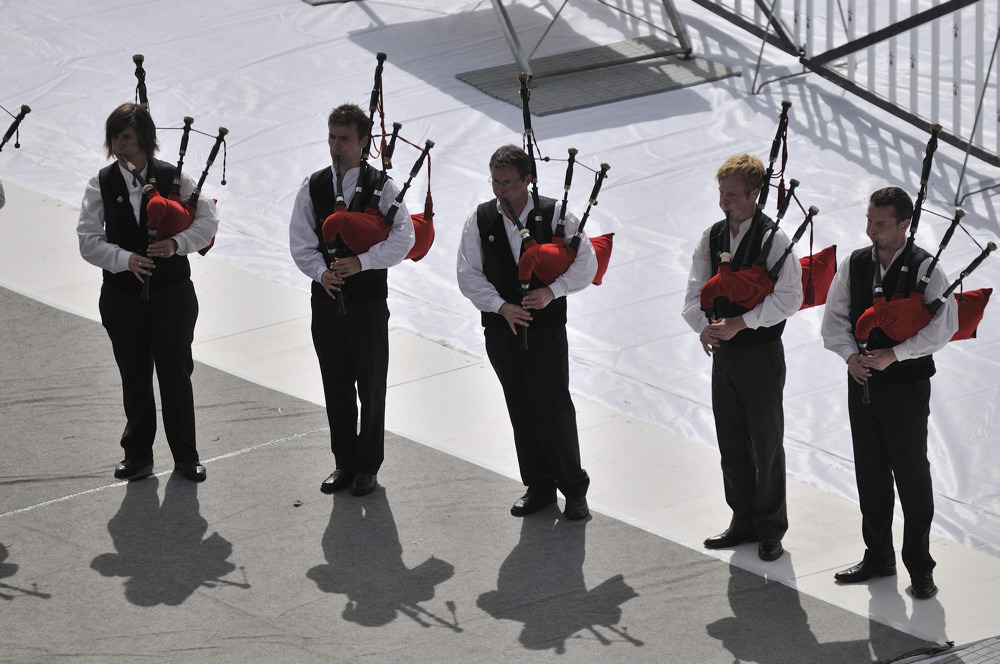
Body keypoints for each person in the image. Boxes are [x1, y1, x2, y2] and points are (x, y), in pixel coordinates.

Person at [821, 186, 958, 600]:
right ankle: (878, 556)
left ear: (905, 224)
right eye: (868, 221)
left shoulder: (926, 269)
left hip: (906, 388)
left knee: (912, 476)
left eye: (880, 224)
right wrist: (850, 357)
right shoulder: (856, 263)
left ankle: (920, 567)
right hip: (861, 383)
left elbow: (943, 327)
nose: (871, 230)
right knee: (871, 473)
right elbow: (835, 318)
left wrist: (895, 354)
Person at [78, 102, 219, 482]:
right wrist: (125, 259)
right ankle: (138, 455)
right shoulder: (101, 183)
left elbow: (208, 222)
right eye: (114, 138)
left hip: (171, 294)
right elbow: (88, 241)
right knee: (135, 375)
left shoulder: (175, 178)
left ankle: (186, 457)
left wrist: (177, 244)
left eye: (126, 137)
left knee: (175, 374)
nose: (119, 146)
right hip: (122, 296)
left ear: (143, 138)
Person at [456, 144, 596, 520]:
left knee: (554, 406)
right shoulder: (481, 218)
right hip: (502, 328)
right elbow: (468, 274)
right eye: (495, 182)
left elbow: (587, 263)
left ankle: (574, 489)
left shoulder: (555, 214)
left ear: (528, 180)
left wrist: (553, 291)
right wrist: (502, 307)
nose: (500, 190)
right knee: (520, 405)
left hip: (546, 329)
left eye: (508, 182)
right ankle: (539, 486)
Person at [681, 153, 802, 561]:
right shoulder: (713, 236)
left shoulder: (774, 240)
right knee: (731, 442)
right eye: (721, 193)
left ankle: (770, 528)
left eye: (732, 194)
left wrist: (742, 323)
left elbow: (789, 298)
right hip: (725, 355)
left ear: (755, 194)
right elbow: (695, 289)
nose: (724, 201)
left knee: (766, 443)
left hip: (761, 354)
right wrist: (703, 325)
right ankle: (742, 519)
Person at [289, 103, 414, 497]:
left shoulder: (383, 187)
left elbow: (404, 239)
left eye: (344, 139)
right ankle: (343, 462)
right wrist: (320, 273)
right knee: (335, 383)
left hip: (369, 302)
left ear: (364, 142)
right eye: (331, 137)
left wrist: (362, 263)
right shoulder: (314, 185)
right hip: (326, 300)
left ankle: (367, 467)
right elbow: (301, 241)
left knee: (371, 387)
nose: (336, 146)